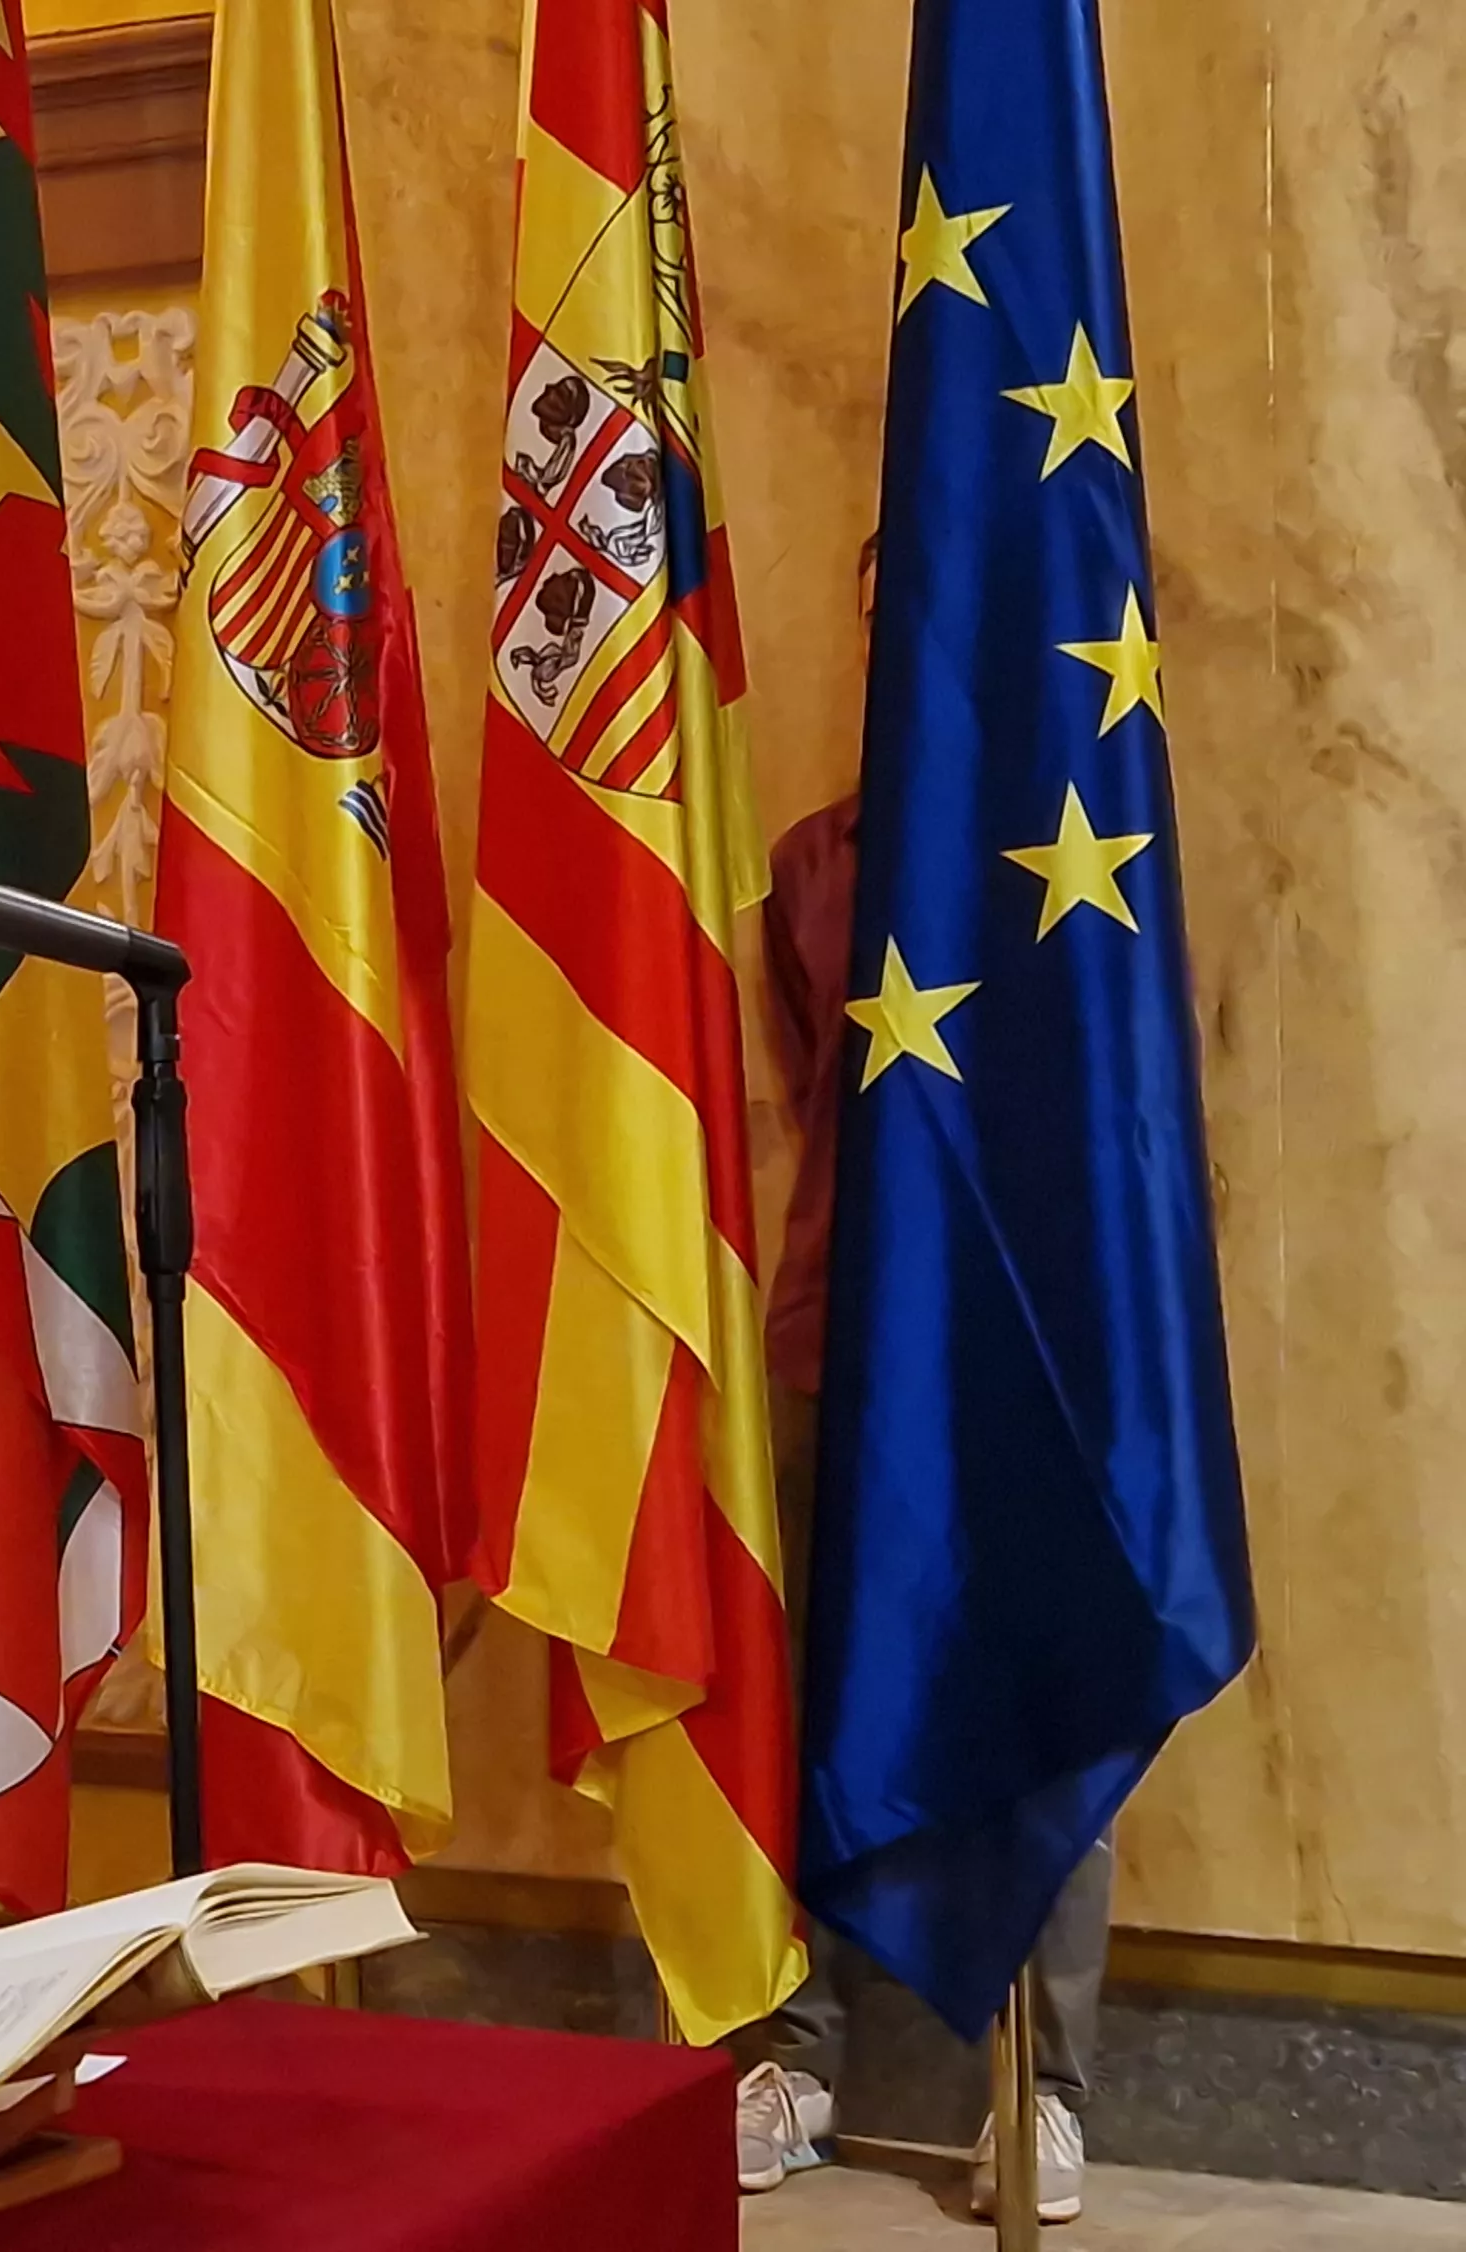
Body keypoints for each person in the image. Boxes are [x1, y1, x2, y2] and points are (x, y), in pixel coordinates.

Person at [734, 535, 1105, 2224]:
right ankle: (796, 2054)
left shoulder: (1094, 856)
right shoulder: (813, 871)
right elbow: (816, 1084)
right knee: (805, 1708)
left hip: (1027, 1363)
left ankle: (1050, 2089)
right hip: (837, 1352)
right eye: (895, 613)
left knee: (1046, 1719)